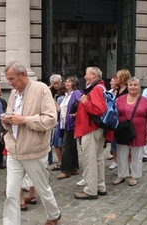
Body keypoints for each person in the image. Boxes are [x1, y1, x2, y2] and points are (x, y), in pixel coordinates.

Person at [1, 61, 60, 225]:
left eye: (12, 78)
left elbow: (51, 119)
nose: (9, 83)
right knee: (12, 192)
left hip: (34, 150)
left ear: (23, 75)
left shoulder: (41, 89)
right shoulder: (13, 93)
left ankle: (54, 214)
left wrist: (25, 120)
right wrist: (7, 119)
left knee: (42, 188)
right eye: (7, 79)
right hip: (14, 150)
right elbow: (12, 117)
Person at [74, 67, 113, 200]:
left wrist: (85, 102)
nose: (84, 77)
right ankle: (100, 186)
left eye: (87, 74)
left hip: (91, 129)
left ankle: (90, 190)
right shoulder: (101, 88)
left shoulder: (96, 89)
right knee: (98, 159)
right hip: (96, 129)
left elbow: (98, 110)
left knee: (89, 160)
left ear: (94, 75)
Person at [113, 77, 147, 186]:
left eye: (135, 85)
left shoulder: (145, 101)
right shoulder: (120, 100)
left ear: (139, 87)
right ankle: (121, 175)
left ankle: (135, 176)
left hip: (138, 132)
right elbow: (113, 114)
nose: (133, 87)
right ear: (127, 86)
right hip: (123, 131)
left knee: (136, 156)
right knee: (122, 155)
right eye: (131, 85)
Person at [56, 76, 82, 179]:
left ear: (74, 83)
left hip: (71, 123)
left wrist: (77, 113)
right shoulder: (66, 95)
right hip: (64, 123)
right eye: (66, 82)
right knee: (71, 146)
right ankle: (74, 168)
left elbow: (83, 103)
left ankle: (65, 170)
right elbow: (61, 109)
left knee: (66, 146)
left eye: (70, 82)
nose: (67, 84)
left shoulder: (76, 93)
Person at [108, 70, 131, 170]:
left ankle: (129, 166)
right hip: (117, 120)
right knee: (117, 144)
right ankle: (120, 165)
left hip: (126, 120)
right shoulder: (117, 90)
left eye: (117, 77)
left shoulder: (128, 90)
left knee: (127, 145)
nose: (115, 79)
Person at [51, 84, 66, 171]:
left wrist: (54, 103)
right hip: (64, 124)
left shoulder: (60, 99)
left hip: (59, 124)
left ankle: (60, 162)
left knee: (57, 144)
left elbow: (58, 110)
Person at [48, 74, 63, 165]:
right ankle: (49, 159)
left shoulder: (63, 92)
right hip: (50, 116)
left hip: (59, 119)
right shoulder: (49, 90)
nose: (56, 85)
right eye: (54, 83)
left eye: (57, 83)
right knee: (49, 141)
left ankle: (60, 161)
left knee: (58, 141)